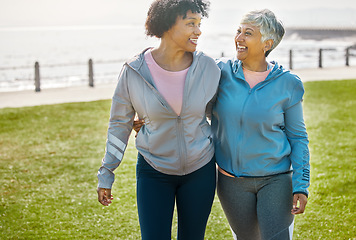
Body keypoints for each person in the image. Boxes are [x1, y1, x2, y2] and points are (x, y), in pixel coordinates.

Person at [96, 0, 221, 239]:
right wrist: (107, 172)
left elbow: (219, 115)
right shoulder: (134, 71)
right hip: (154, 171)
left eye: (199, 23)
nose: (198, 31)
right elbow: (119, 125)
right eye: (190, 23)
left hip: (200, 169)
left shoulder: (208, 67)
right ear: (166, 25)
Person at [211, 9, 310, 239]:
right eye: (238, 31)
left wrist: (301, 185)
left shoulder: (288, 84)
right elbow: (184, 92)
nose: (239, 38)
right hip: (231, 182)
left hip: (275, 180)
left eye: (248, 33)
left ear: (267, 43)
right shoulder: (219, 72)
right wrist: (147, 118)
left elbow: (298, 137)